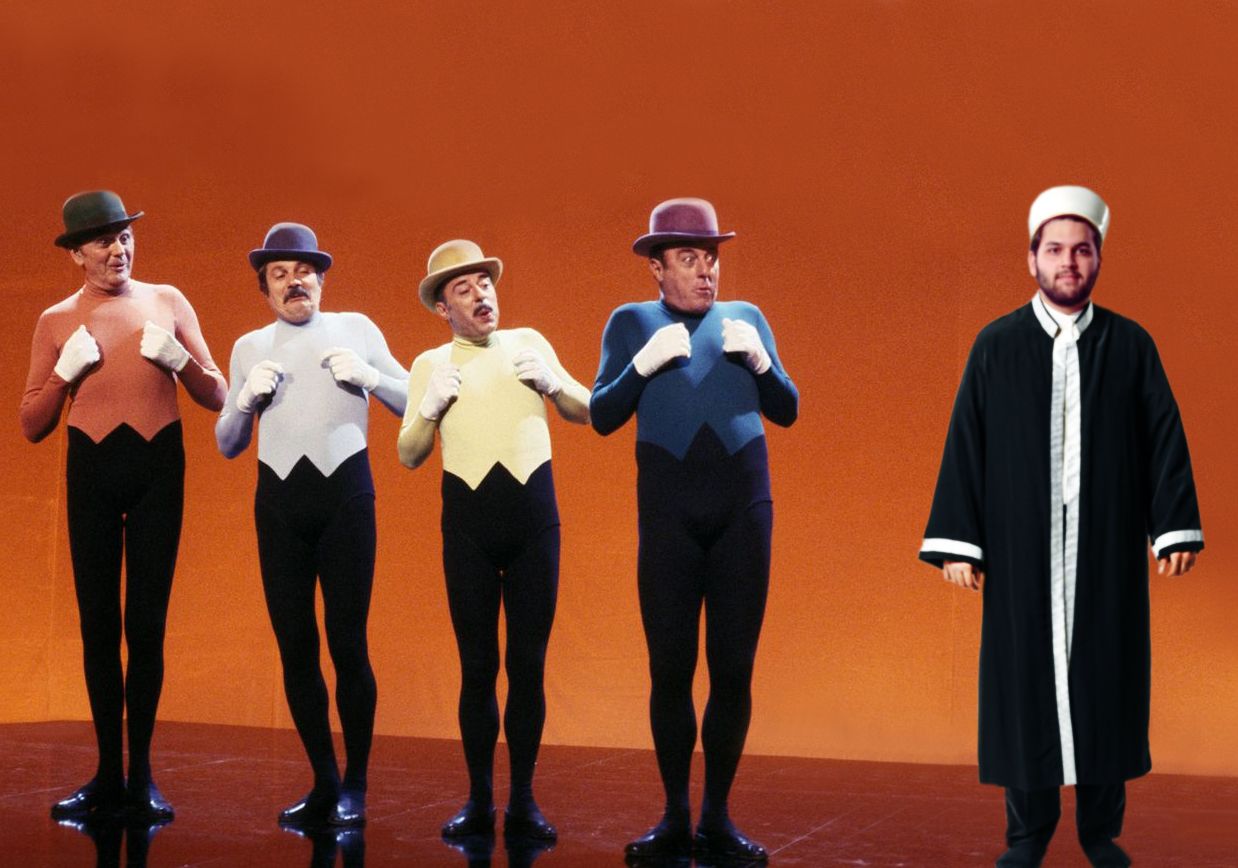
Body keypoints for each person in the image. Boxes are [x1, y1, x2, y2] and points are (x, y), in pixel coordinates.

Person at [919, 185, 1204, 868]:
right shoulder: (996, 345)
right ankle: (1027, 835)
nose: (1068, 262)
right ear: (1032, 258)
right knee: (1023, 684)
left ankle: (1101, 832)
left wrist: (1172, 527)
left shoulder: (1131, 345)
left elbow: (1163, 436)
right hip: (1022, 548)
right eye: (1055, 250)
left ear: (1099, 257)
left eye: (1081, 250)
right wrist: (959, 541)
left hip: (1106, 546)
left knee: (1107, 677)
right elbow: (967, 442)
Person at [591, 198, 798, 864]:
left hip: (743, 513)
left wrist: (762, 364)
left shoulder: (747, 318)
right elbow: (601, 415)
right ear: (657, 268)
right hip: (669, 516)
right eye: (689, 258)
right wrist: (641, 366)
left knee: (733, 670)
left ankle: (717, 818)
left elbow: (788, 409)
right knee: (670, 669)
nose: (706, 271)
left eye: (711, 258)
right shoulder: (631, 323)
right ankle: (675, 817)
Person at [21, 190, 228, 821]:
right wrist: (65, 374)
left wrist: (180, 360)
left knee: (146, 624)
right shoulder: (56, 320)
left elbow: (218, 395)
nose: (119, 249)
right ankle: (108, 772)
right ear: (76, 253)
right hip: (91, 469)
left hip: (157, 468)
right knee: (97, 625)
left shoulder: (168, 301)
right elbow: (31, 424)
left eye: (125, 236)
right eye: (104, 240)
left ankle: (142, 775)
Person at [216, 222, 409, 828]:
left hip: (344, 498)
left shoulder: (358, 329)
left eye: (304, 271)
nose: (293, 281)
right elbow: (226, 443)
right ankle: (324, 780)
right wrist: (244, 401)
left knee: (348, 643)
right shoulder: (249, 347)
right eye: (280, 274)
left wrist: (371, 379)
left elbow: (416, 401)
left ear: (321, 279)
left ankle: (356, 785)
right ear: (266, 288)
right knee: (295, 647)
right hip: (278, 506)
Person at [398, 239, 590, 843]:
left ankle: (524, 800)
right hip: (469, 530)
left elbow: (588, 410)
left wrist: (553, 383)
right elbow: (408, 454)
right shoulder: (430, 364)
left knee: (528, 667)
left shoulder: (529, 342)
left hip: (534, 526)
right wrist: (430, 409)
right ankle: (480, 799)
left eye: (485, 283)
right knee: (477, 667)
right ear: (443, 308)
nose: (481, 294)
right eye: (464, 288)